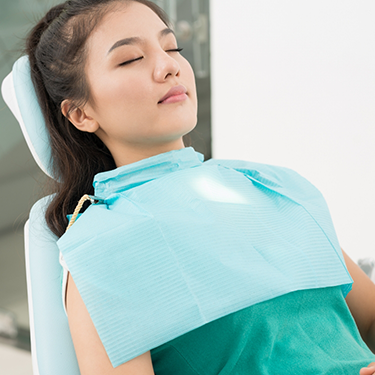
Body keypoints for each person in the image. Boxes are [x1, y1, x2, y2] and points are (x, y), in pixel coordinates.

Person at [25, 0, 375, 374]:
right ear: (81, 113)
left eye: (172, 47)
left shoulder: (270, 186)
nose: (169, 66)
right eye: (130, 59)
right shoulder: (104, 247)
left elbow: (368, 321)